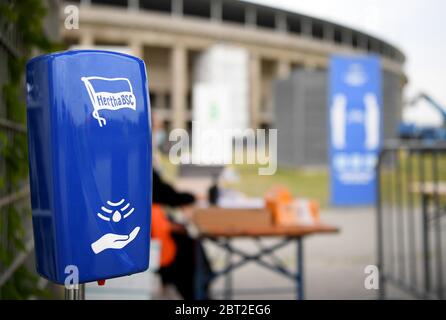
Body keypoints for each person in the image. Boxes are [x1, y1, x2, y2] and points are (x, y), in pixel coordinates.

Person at [152, 169, 213, 300]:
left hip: (152, 234)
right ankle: (198, 294)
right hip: (154, 243)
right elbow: (166, 194)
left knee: (190, 240)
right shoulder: (140, 165)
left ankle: (199, 288)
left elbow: (165, 193)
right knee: (190, 246)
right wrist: (191, 197)